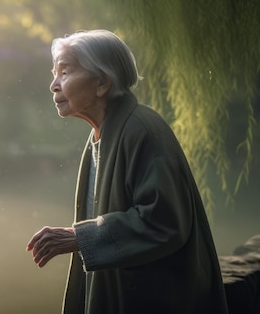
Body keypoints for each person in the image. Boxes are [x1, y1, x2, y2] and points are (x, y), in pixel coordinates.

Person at [26, 30, 229, 314]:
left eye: (64, 72)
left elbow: (164, 222)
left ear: (101, 83)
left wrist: (78, 237)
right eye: (54, 73)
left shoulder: (143, 130)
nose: (53, 85)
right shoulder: (101, 134)